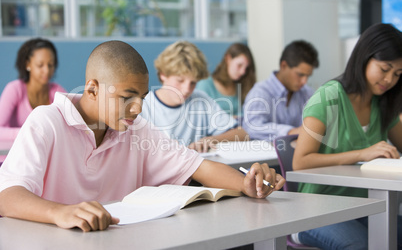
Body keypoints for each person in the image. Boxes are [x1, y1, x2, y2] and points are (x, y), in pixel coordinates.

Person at [0, 40, 285, 232]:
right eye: (127, 96)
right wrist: (59, 213)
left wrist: (247, 184)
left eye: (142, 96)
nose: (137, 107)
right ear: (92, 89)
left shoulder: (136, 130)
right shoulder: (47, 120)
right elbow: (7, 196)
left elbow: (199, 166)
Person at [292, 23, 402, 249]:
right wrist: (362, 154)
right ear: (364, 58)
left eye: (398, 74)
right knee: (359, 245)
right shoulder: (328, 97)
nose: (390, 79)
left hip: (364, 206)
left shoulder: (383, 102)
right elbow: (301, 162)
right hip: (315, 209)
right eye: (385, 69)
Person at [140, 41, 249, 152]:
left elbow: (242, 133)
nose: (187, 89)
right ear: (163, 74)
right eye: (180, 80)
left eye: (193, 83)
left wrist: (211, 140)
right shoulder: (144, 107)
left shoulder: (200, 100)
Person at [0, 38, 66, 163]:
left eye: (50, 65)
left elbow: (68, 126)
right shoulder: (15, 89)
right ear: (27, 65)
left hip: (41, 160)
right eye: (40, 65)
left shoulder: (57, 91)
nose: (46, 70)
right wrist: (31, 132)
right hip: (10, 159)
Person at [242, 40, 319, 142]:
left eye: (307, 76)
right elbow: (251, 128)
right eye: (300, 75)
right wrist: (290, 132)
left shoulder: (307, 93)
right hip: (266, 155)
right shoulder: (260, 92)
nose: (304, 81)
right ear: (283, 66)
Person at [196, 42, 256, 118]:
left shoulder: (241, 86)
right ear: (228, 59)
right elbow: (202, 118)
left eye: (246, 68)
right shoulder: (205, 85)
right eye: (239, 65)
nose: (243, 72)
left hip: (239, 129)